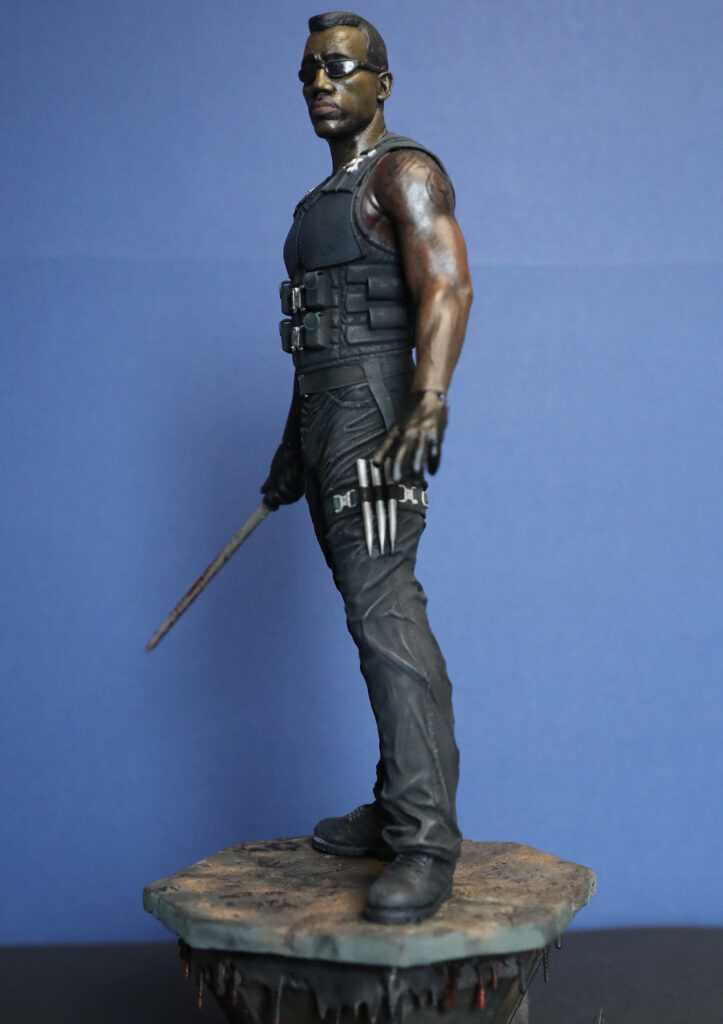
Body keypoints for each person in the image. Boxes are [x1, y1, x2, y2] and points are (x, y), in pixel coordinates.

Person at [261, 11, 473, 925]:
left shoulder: (403, 173)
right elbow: (317, 344)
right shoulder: (319, 202)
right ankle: (396, 806)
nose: (321, 81)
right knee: (369, 615)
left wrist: (428, 399)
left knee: (386, 615)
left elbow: (448, 285)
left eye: (341, 67)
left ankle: (424, 840)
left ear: (381, 84)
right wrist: (290, 448)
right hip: (326, 421)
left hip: (377, 424)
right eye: (310, 69)